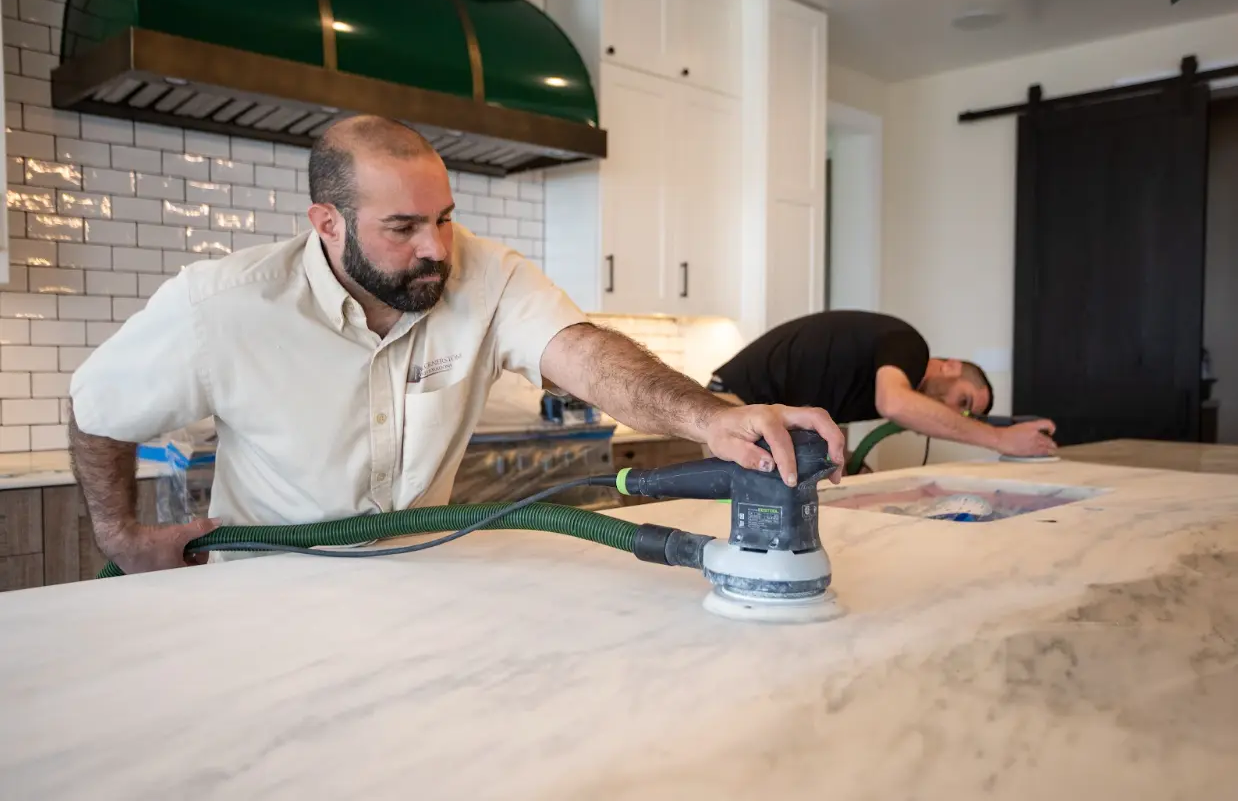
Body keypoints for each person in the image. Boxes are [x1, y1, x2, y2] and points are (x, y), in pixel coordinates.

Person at [66, 115, 845, 574]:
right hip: (266, 591)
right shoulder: (221, 304)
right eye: (402, 227)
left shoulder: (485, 274)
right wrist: (119, 534)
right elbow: (95, 407)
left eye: (442, 218)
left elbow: (584, 354)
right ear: (327, 224)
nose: (436, 249)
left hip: (423, 578)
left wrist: (709, 417)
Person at [708, 310, 1056, 461]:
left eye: (965, 413)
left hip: (753, 411)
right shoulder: (910, 346)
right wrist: (1000, 439)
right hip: (734, 405)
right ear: (950, 366)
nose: (955, 412)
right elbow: (896, 404)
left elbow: (816, 419)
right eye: (962, 400)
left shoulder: (879, 379)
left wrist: (847, 462)